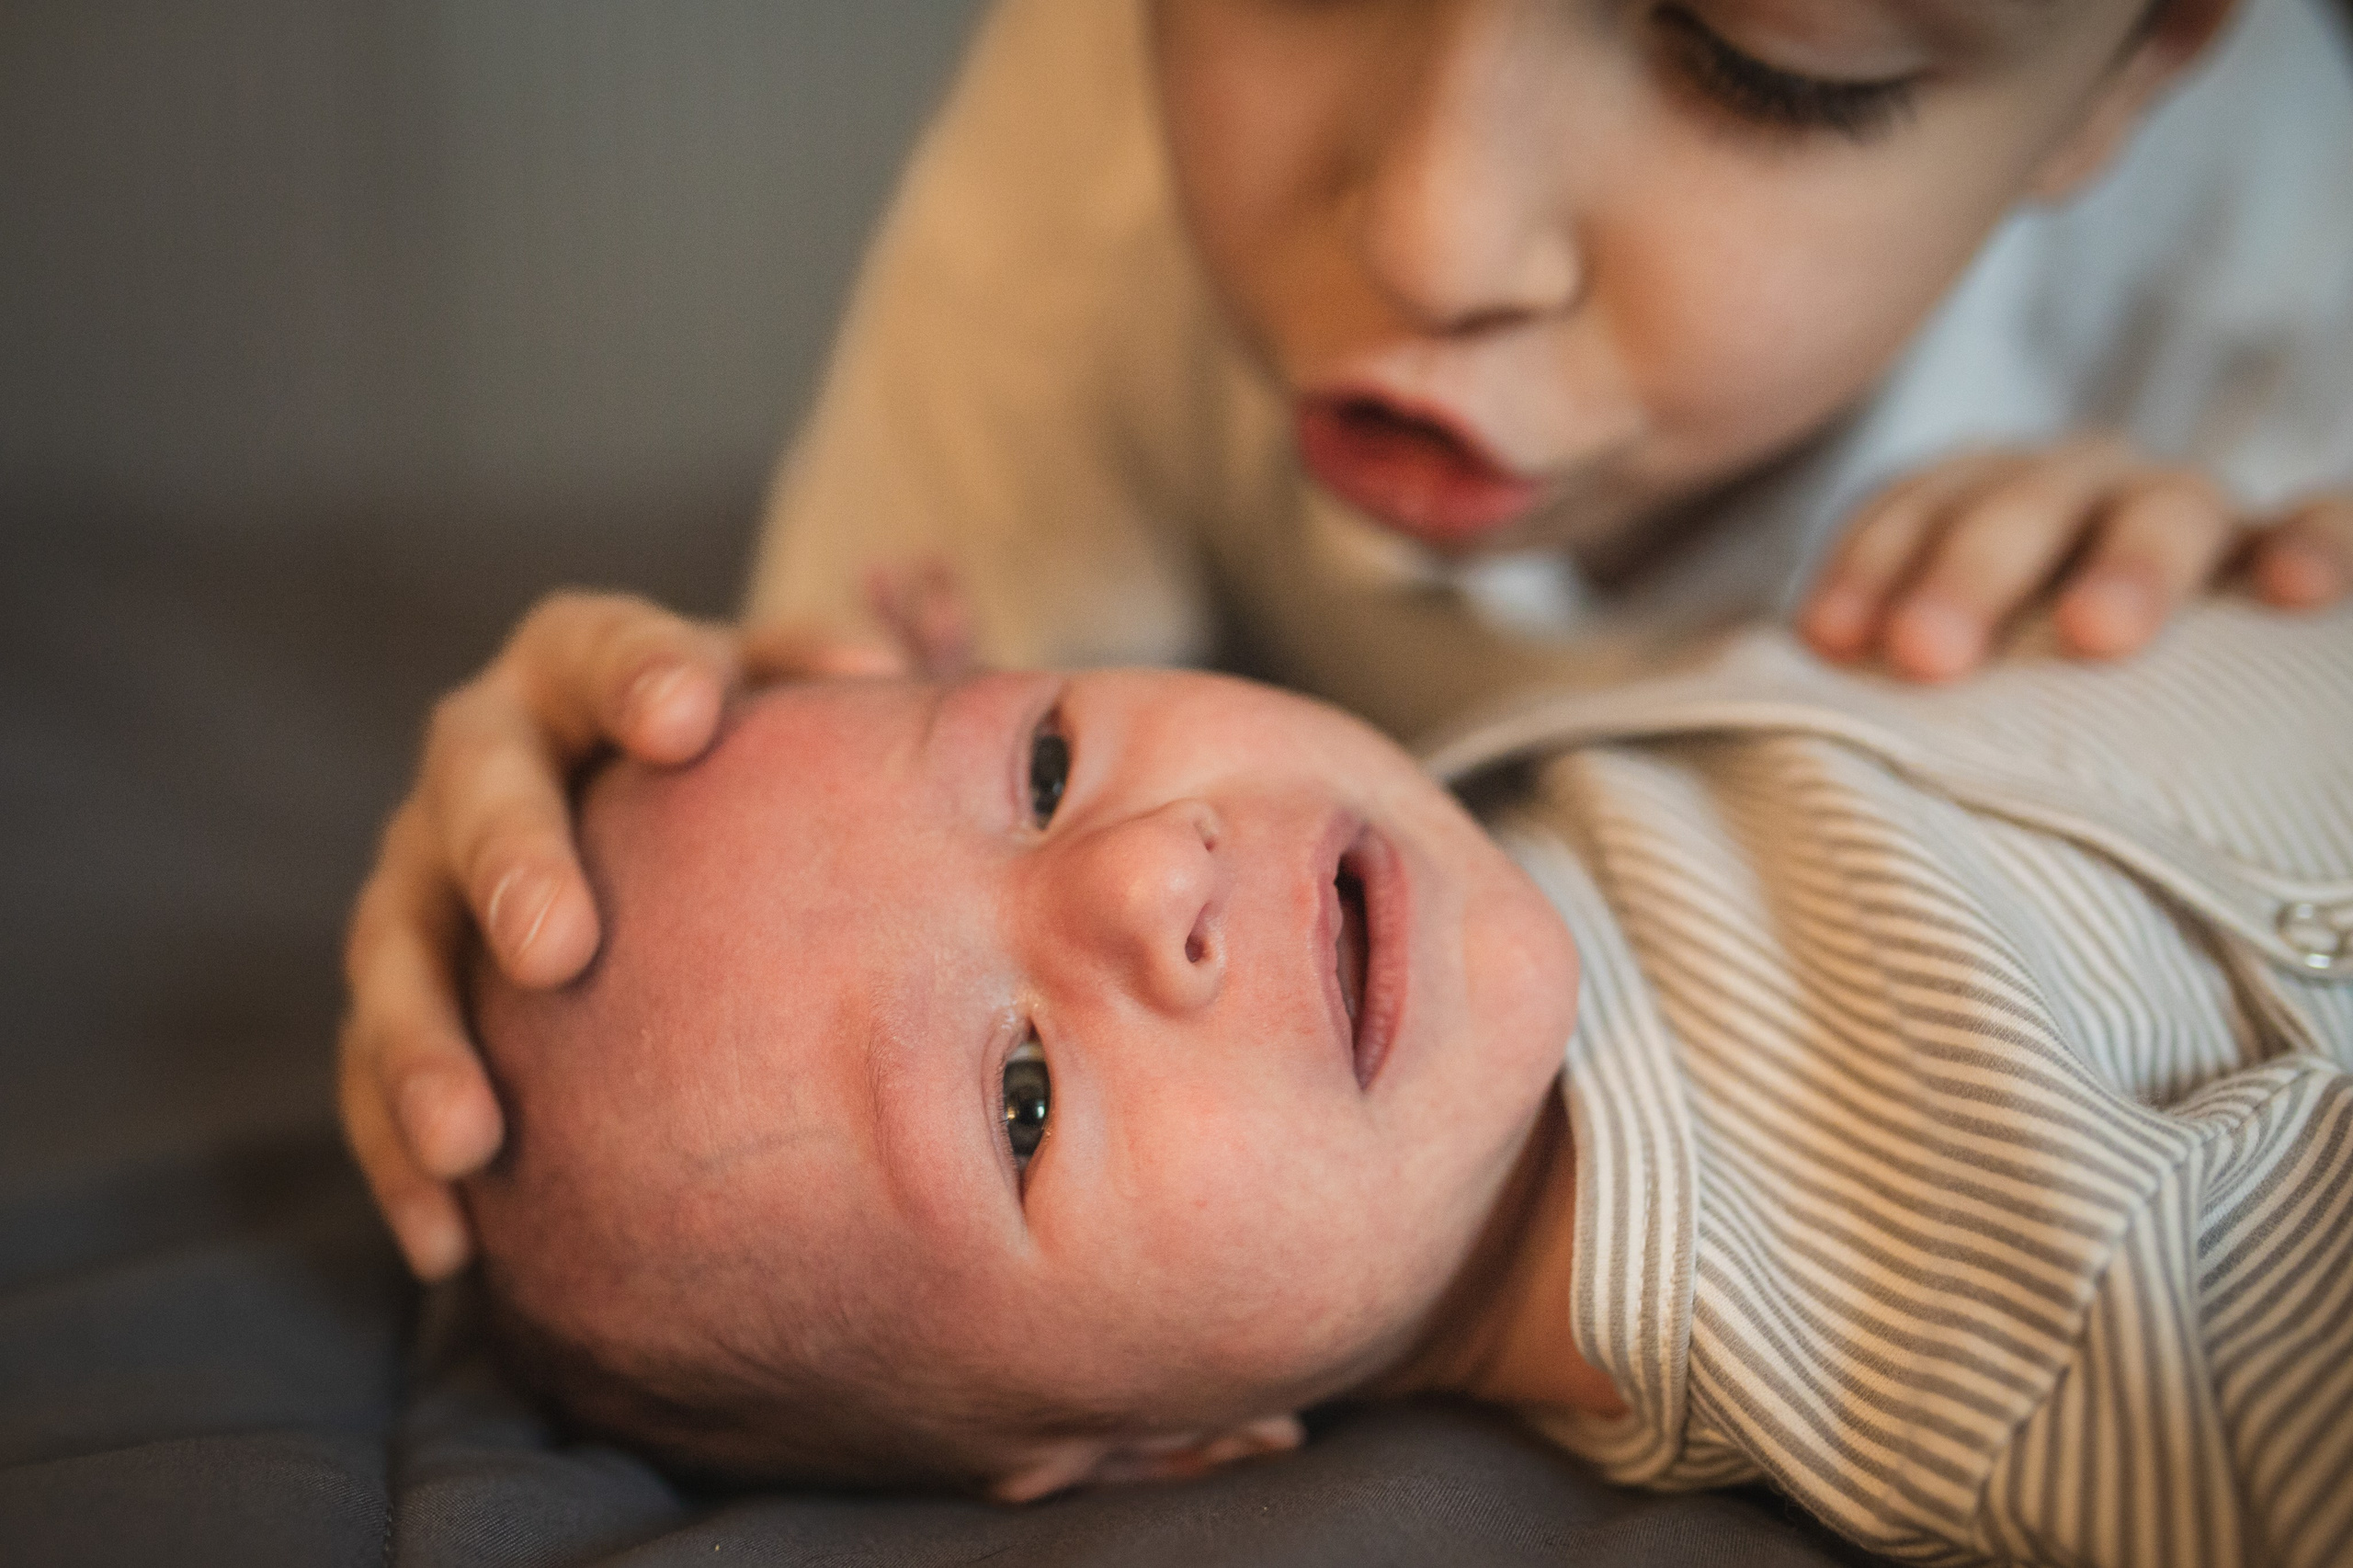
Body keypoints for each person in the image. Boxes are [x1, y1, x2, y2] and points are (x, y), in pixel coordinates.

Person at [344, 0, 2353, 1279]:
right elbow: (841, 907)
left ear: (2136, 63)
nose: (1429, 233)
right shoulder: (1094, 141)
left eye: (1763, 59)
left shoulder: (2274, 275)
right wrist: (613, 827)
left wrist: (2265, 631)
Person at [463, 601, 2353, 1568]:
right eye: (1019, 1101)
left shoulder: (1488, 741)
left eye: (1037, 763)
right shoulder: (1999, 1323)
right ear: (1154, 1453)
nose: (1140, 873)